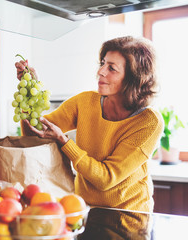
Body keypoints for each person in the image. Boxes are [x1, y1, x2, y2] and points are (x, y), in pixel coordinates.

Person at [15, 36, 163, 213]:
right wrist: (32, 93)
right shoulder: (85, 101)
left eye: (111, 68)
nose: (101, 71)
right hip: (85, 209)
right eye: (103, 63)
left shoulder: (148, 122)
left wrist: (64, 142)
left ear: (133, 78)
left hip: (130, 215)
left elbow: (106, 179)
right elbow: (34, 135)